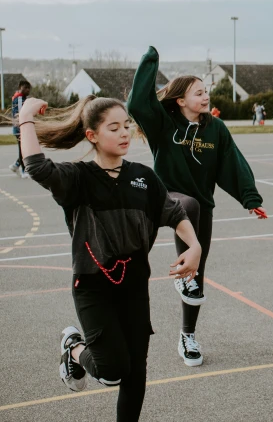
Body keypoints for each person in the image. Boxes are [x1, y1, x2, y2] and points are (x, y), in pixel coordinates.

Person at [18, 95, 201, 421]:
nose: (124, 133)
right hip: (93, 286)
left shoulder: (143, 177)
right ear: (92, 135)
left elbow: (174, 212)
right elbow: (36, 166)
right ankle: (74, 347)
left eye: (127, 126)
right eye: (113, 127)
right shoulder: (78, 179)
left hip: (133, 286)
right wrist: (27, 118)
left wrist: (194, 246)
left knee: (135, 374)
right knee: (112, 371)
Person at [128, 47, 267, 368]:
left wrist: (251, 199)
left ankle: (187, 335)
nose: (206, 97)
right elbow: (137, 103)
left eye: (207, 92)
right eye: (198, 92)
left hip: (201, 205)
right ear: (180, 100)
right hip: (164, 197)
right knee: (185, 205)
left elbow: (232, 163)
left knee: (197, 270)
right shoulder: (163, 123)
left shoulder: (215, 130)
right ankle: (176, 279)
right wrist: (150, 61)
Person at [9, 80, 32, 178]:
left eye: (28, 88)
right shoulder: (19, 99)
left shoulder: (22, 98)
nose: (27, 90)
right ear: (20, 87)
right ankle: (23, 170)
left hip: (22, 128)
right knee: (23, 150)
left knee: (24, 149)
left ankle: (16, 165)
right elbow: (20, 114)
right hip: (20, 129)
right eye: (25, 88)